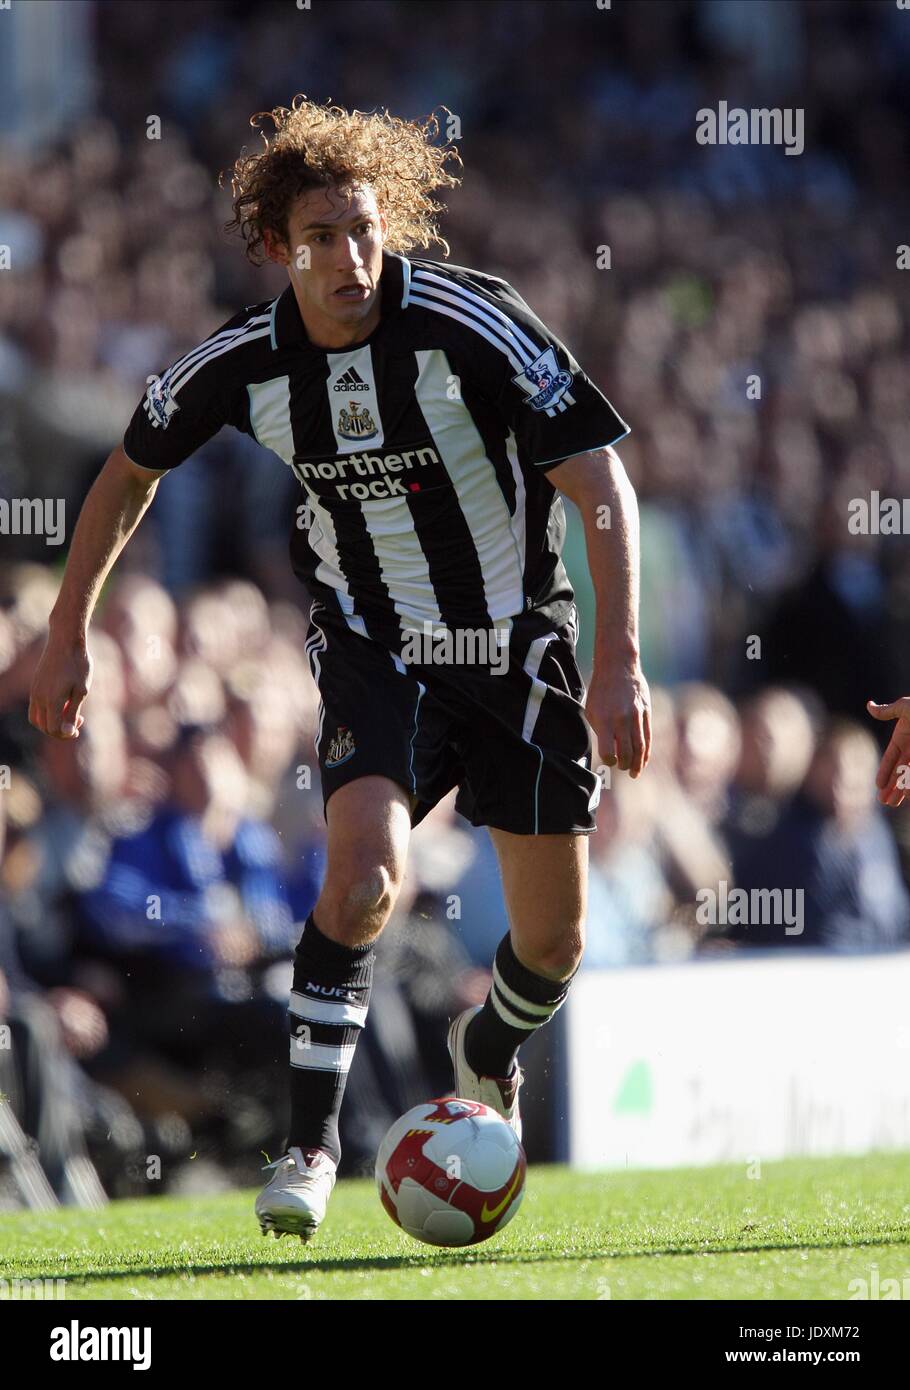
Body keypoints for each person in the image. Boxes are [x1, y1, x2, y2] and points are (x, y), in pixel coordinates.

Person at [27, 95, 651, 1243]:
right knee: (364, 881)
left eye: (364, 230)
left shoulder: (476, 325)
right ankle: (311, 1145)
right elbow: (127, 471)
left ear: (388, 228)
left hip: (521, 650)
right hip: (377, 646)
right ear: (279, 248)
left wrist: (617, 659)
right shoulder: (246, 361)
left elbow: (600, 482)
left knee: (552, 945)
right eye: (321, 238)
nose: (349, 258)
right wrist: (69, 629)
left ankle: (485, 1050)